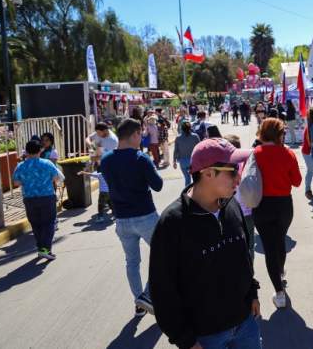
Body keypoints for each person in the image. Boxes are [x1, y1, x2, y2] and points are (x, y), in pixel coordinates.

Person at [150, 138, 261, 349]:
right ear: (208, 173)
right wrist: (185, 340)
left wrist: (252, 293)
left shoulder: (232, 206)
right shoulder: (172, 222)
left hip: (246, 323)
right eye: (233, 170)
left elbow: (243, 259)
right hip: (205, 336)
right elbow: (163, 290)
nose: (239, 177)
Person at [100, 118, 164, 317]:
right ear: (135, 134)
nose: (142, 138)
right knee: (165, 254)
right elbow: (158, 185)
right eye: (141, 134)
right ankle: (146, 295)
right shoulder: (140, 158)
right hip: (145, 216)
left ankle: (139, 301)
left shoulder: (106, 159)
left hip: (121, 219)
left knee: (132, 261)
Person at [252, 118, 302, 308]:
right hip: (283, 205)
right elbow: (297, 181)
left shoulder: (256, 153)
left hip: (262, 205)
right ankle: (279, 272)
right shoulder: (288, 153)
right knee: (280, 240)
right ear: (280, 133)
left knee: (269, 247)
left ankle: (279, 291)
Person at [13, 140, 64, 260]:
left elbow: (16, 182)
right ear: (40, 150)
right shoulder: (47, 163)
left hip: (29, 198)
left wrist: (28, 181)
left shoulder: (20, 166)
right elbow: (56, 178)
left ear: (26, 151)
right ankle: (45, 249)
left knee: (36, 224)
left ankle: (41, 248)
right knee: (49, 223)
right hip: (47, 197)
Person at [225, 134, 255, 265]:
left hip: (230, 212)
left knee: (232, 246)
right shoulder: (248, 163)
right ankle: (250, 273)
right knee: (249, 245)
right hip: (248, 210)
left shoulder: (223, 166)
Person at [173, 121, 200, 185]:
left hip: (183, 162)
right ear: (190, 127)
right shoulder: (195, 136)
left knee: (187, 179)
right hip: (193, 161)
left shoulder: (178, 138)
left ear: (181, 128)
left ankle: (187, 192)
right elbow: (200, 148)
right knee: (196, 179)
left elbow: (175, 151)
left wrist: (174, 161)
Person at [301, 125, 313, 203]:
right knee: (311, 170)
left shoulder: (311, 126)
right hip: (307, 152)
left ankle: (309, 190)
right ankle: (307, 191)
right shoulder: (310, 127)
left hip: (309, 152)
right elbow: (310, 143)